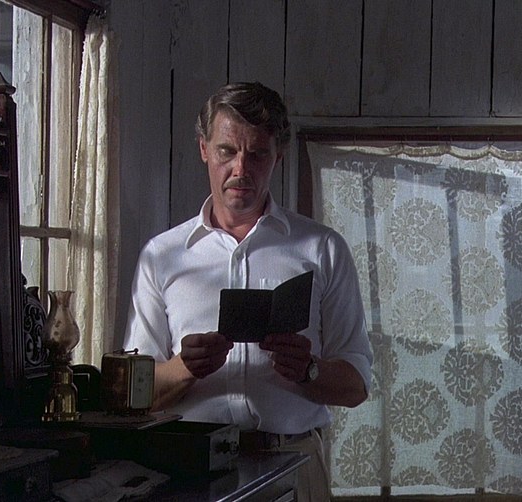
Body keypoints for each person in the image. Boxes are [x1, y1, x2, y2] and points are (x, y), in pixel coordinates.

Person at [123, 82, 373, 501]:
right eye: (227, 151)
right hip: (189, 469)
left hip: (295, 463)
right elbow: (133, 395)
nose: (241, 169)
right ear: (204, 149)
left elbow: (357, 385)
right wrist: (185, 368)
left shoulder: (323, 249)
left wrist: (309, 370)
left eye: (257, 154)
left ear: (278, 155)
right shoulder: (161, 256)